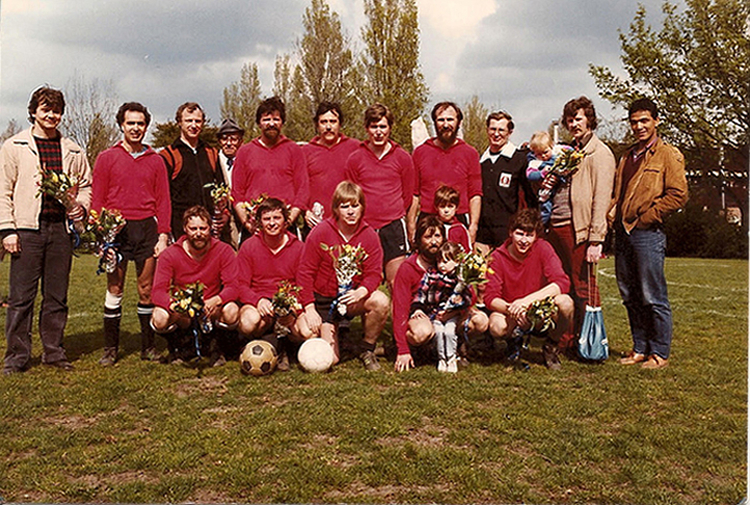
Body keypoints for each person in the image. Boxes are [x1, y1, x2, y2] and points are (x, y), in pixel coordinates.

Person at [0, 86, 92, 374]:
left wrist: (80, 208)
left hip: (60, 231)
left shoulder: (73, 149)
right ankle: (16, 356)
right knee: (21, 297)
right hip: (27, 230)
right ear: (33, 112)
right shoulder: (14, 146)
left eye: (56, 110)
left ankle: (53, 351)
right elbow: (3, 190)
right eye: (45, 109)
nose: (51, 115)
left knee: (56, 296)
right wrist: (7, 230)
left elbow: (86, 185)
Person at [609, 98, 688, 370]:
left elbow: (678, 195)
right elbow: (618, 195)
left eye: (644, 120)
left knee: (652, 295)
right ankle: (640, 348)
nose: (639, 126)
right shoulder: (627, 156)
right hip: (623, 233)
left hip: (647, 233)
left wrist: (647, 218)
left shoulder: (669, 154)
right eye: (634, 121)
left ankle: (660, 353)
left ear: (656, 121)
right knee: (629, 294)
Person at [91, 102, 171, 366]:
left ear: (146, 126)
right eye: (131, 123)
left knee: (146, 289)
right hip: (117, 231)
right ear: (121, 125)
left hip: (146, 229)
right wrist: (102, 235)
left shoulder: (156, 160)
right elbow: (97, 200)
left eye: (140, 124)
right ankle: (110, 349)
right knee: (115, 288)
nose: (136, 128)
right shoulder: (106, 157)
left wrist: (163, 235)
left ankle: (148, 347)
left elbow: (163, 201)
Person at [295, 181, 390, 370]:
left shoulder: (369, 234)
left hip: (350, 298)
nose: (350, 211)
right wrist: (309, 307)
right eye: (344, 206)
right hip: (323, 301)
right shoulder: (321, 232)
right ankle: (331, 333)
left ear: (362, 207)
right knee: (331, 359)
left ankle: (367, 348)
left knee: (380, 301)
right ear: (336, 209)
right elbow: (305, 272)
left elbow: (374, 272)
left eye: (355, 205)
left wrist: (361, 291)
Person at [546, 96, 615, 353]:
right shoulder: (569, 151)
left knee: (583, 285)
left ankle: (591, 341)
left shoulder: (600, 153)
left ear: (589, 120)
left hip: (580, 230)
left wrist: (596, 239)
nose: (574, 124)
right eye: (570, 119)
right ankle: (566, 337)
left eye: (579, 119)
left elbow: (602, 198)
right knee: (563, 284)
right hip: (559, 224)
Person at [392, 215, 488, 372]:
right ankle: (423, 348)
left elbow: (471, 296)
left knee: (481, 320)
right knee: (421, 332)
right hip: (423, 316)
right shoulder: (408, 267)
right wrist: (402, 349)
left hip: (450, 313)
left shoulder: (452, 264)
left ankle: (457, 346)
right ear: (419, 239)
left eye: (437, 236)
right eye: (428, 237)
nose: (434, 242)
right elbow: (399, 309)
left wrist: (457, 310)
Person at [484, 209, 574, 370]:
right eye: (520, 234)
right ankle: (512, 342)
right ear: (511, 233)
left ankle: (551, 346)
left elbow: (562, 282)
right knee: (496, 326)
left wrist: (526, 303)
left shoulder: (543, 248)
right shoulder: (497, 256)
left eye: (529, 235)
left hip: (537, 310)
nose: (524, 240)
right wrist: (513, 309)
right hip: (510, 310)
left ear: (535, 236)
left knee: (566, 303)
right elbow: (490, 298)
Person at [151, 206, 239, 365]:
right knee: (159, 316)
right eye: (193, 229)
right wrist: (176, 305)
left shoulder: (223, 250)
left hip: (210, 306)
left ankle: (218, 347)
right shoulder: (170, 254)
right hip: (183, 309)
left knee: (231, 310)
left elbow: (233, 286)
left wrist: (217, 300)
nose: (198, 233)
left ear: (210, 228)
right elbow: (157, 292)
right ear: (185, 228)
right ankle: (176, 346)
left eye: (203, 228)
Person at [344, 103, 415, 291]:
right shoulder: (355, 158)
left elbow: (408, 195)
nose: (378, 132)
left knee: (396, 283)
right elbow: (351, 195)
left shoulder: (402, 157)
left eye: (382, 126)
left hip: (392, 226)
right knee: (364, 284)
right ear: (367, 128)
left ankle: (399, 321)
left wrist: (398, 216)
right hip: (364, 226)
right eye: (374, 126)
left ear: (390, 128)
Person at [237, 197, 305, 370]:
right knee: (248, 322)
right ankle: (269, 344)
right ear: (260, 222)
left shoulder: (298, 248)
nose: (272, 223)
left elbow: (304, 285)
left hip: (288, 302)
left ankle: (286, 346)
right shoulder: (248, 246)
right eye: (267, 219)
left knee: (308, 331)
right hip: (261, 302)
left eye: (277, 218)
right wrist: (257, 300)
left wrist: (291, 306)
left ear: (286, 221)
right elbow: (241, 285)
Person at [232, 96, 308, 239]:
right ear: (259, 123)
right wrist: (247, 223)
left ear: (282, 123)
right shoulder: (245, 151)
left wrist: (288, 220)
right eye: (266, 119)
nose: (271, 123)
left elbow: (302, 190)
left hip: (287, 228)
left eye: (276, 119)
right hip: (254, 228)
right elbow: (237, 193)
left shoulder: (294, 150)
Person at [411, 101, 482, 244]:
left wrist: (473, 226)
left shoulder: (470, 153)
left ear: (459, 122)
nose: (445, 124)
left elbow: (475, 194)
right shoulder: (420, 152)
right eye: (441, 120)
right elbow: (414, 194)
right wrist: (411, 225)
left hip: (458, 220)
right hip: (428, 219)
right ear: (434, 123)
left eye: (450, 119)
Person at [159, 102, 228, 240]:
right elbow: (162, 196)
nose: (193, 125)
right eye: (189, 121)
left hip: (209, 226)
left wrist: (225, 212)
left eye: (198, 121)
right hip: (180, 227)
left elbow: (222, 188)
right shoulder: (169, 155)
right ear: (179, 122)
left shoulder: (211, 152)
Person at [476, 111, 537, 250]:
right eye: (493, 129)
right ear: (487, 130)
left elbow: (530, 198)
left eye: (501, 130)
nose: (496, 134)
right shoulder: (480, 162)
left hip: (508, 234)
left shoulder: (520, 159)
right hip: (482, 236)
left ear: (509, 132)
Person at [410, 242, 473, 373]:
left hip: (452, 315)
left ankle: (451, 357)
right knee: (438, 332)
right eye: (439, 261)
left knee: (449, 331)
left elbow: (468, 298)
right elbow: (422, 292)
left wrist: (459, 302)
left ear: (456, 262)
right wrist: (418, 307)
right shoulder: (432, 275)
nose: (441, 265)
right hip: (435, 314)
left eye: (446, 261)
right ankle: (441, 358)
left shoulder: (460, 279)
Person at [302, 101, 360, 229]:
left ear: (340, 124)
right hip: (316, 223)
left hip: (348, 222)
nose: (328, 127)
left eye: (333, 122)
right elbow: (299, 187)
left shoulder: (355, 148)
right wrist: (305, 211)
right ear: (317, 125)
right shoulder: (305, 152)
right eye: (323, 122)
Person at [216, 118, 245, 249]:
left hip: (245, 216)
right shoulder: (213, 161)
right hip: (222, 220)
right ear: (219, 141)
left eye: (233, 139)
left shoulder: (246, 160)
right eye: (224, 139)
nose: (229, 143)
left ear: (240, 141)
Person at [526, 130, 562, 224]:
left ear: (551, 146)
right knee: (546, 207)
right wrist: (542, 173)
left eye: (545, 152)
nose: (543, 156)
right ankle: (543, 224)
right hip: (546, 190)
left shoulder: (558, 154)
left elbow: (569, 151)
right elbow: (529, 175)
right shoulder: (535, 162)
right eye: (539, 154)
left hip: (560, 187)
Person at [434, 185, 471, 253]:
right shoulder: (432, 226)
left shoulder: (460, 228)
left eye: (450, 206)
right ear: (436, 207)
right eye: (442, 206)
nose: (446, 210)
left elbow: (467, 250)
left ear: (456, 208)